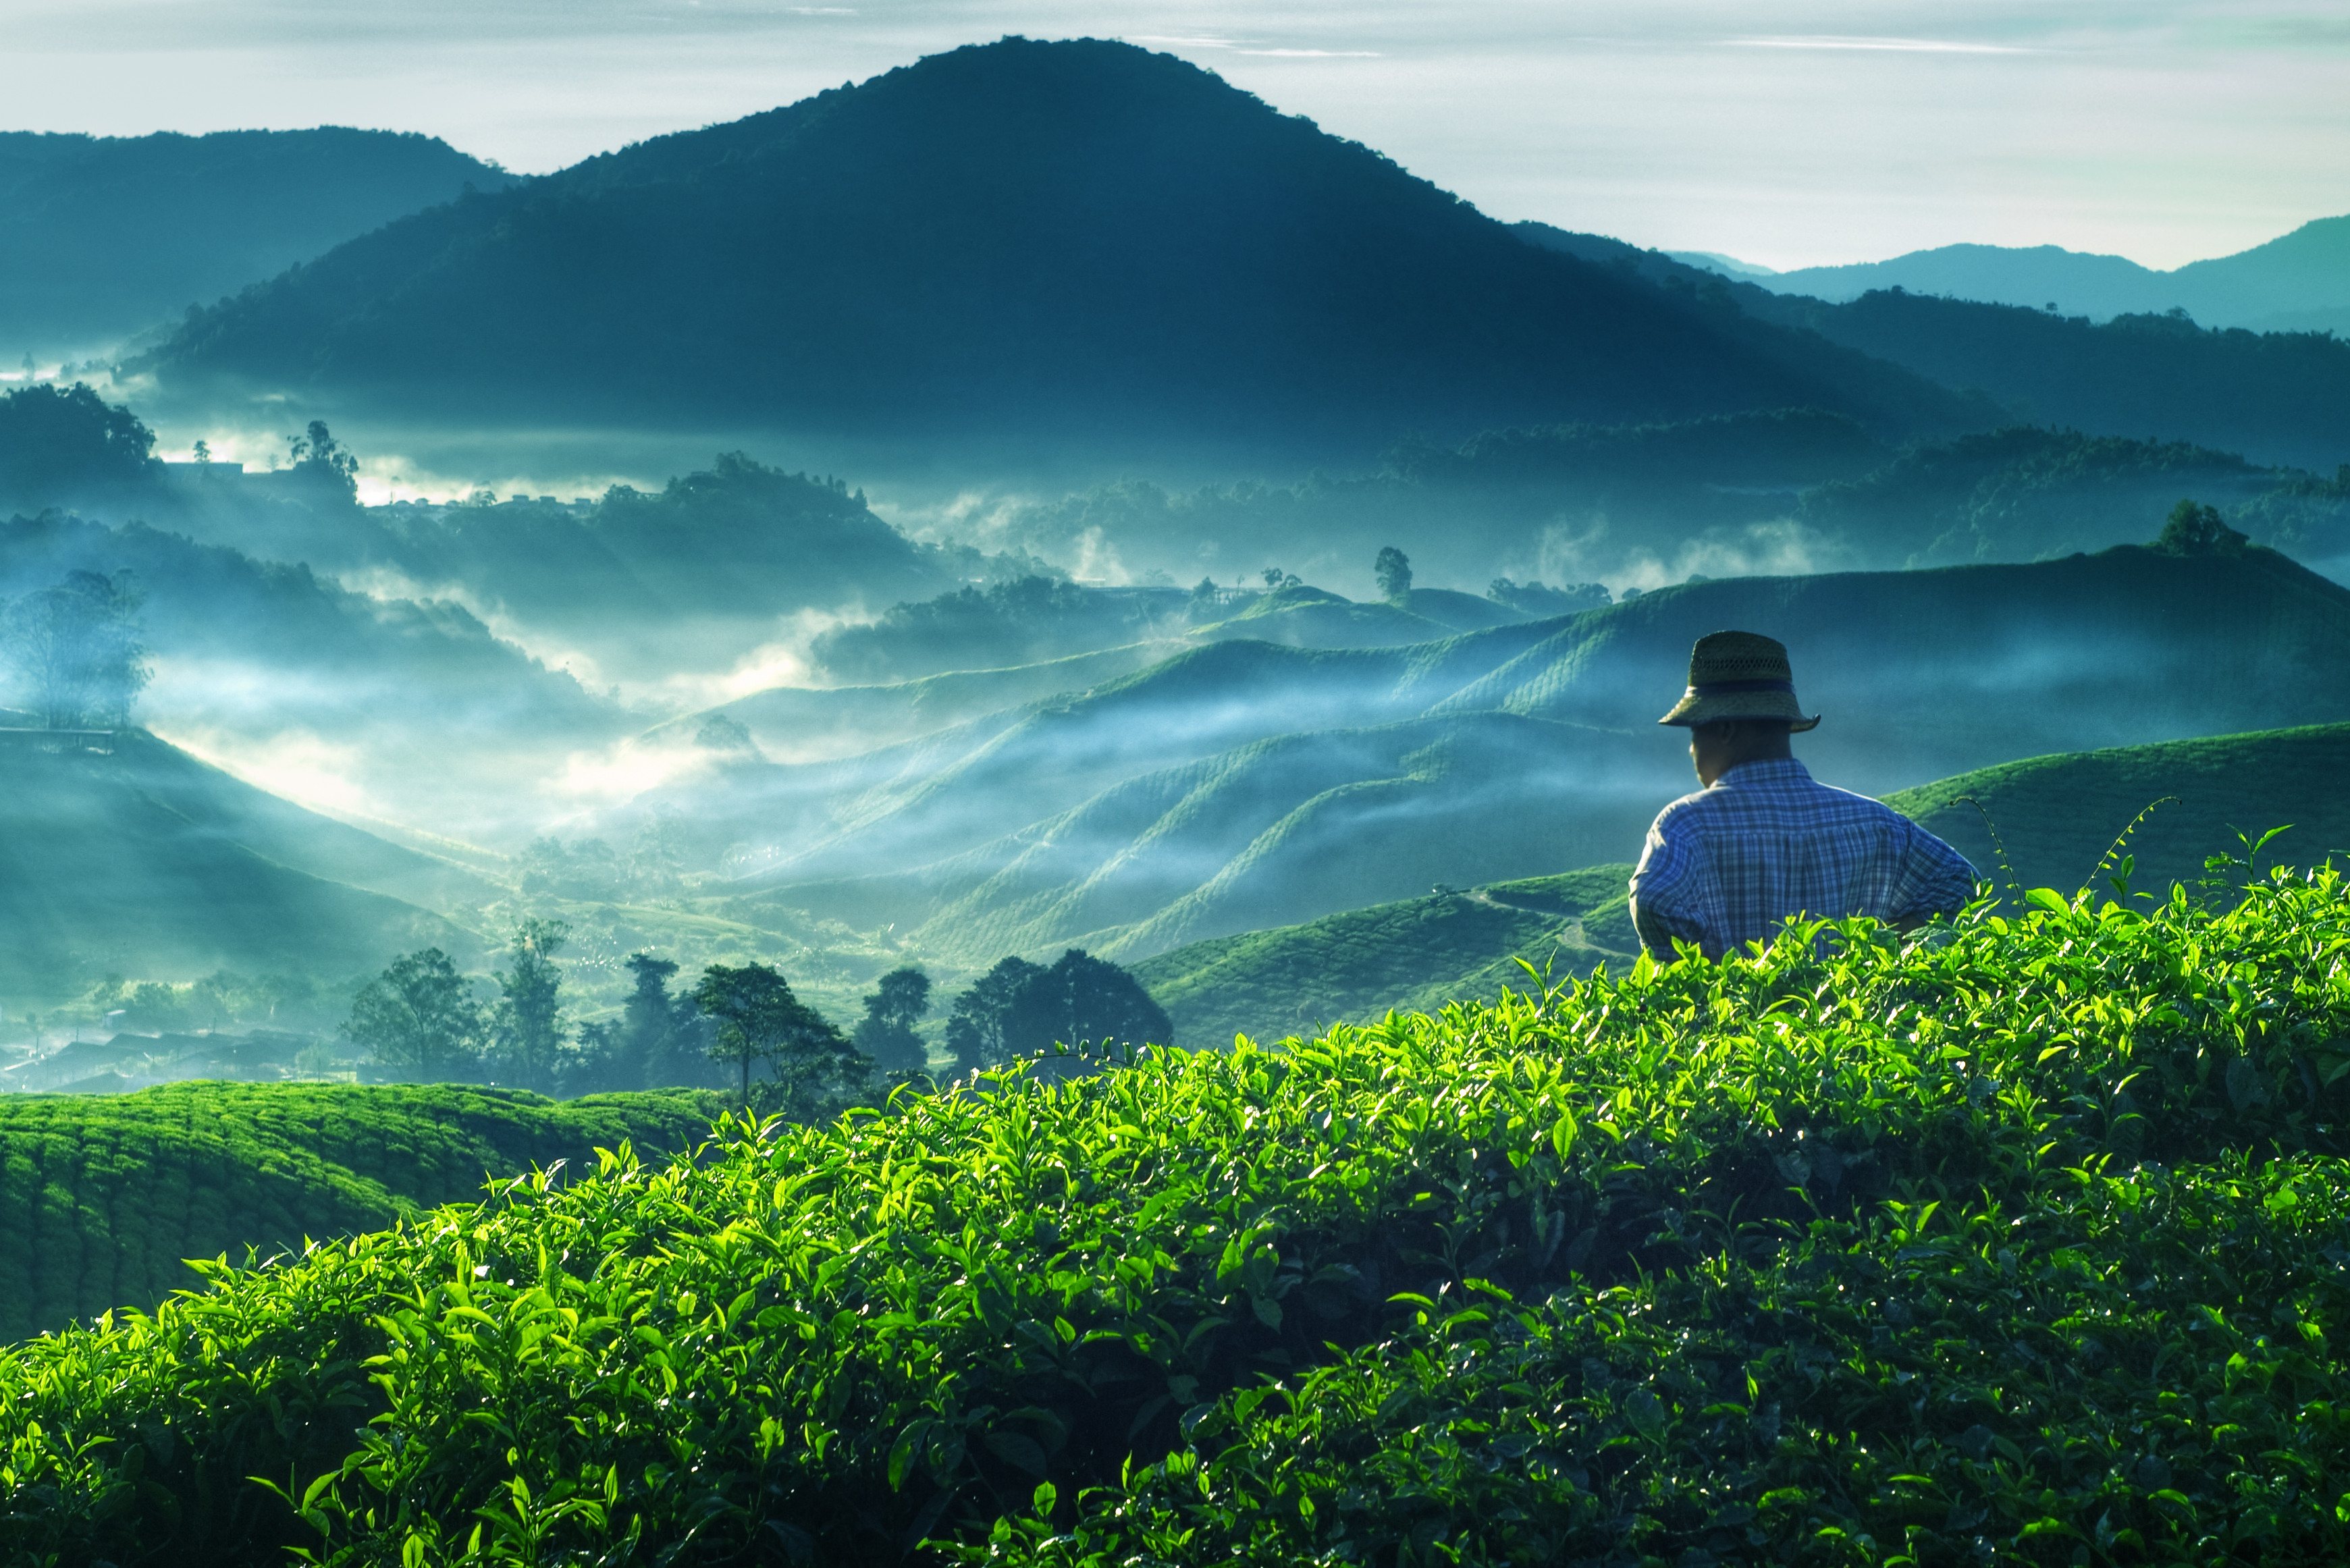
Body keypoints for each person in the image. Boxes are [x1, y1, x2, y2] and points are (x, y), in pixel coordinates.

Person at [1628, 630, 1975, 960]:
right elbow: (1960, 882)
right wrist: (1873, 955)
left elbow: (1654, 900)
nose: (1691, 750)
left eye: (1695, 734)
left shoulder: (1686, 827)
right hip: (1850, 1021)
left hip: (1736, 1021)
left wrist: (1712, 975)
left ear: (1725, 729)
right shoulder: (1876, 823)